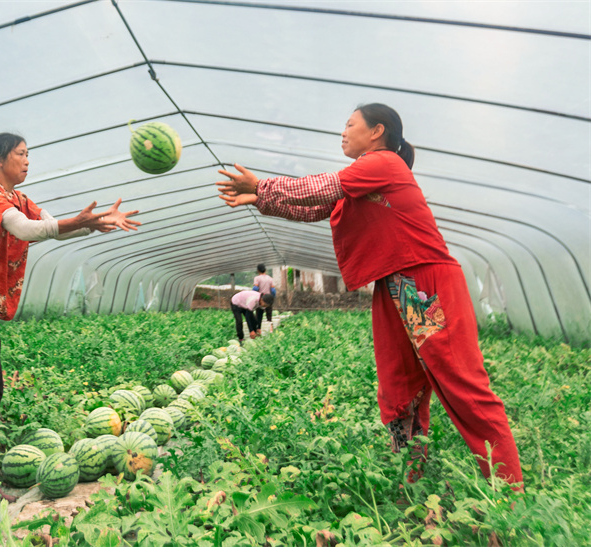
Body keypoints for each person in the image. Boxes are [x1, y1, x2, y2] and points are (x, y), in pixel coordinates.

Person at [215, 104, 523, 489]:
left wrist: (262, 185)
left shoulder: (385, 163)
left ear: (377, 131)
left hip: (423, 281)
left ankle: (510, 494)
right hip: (391, 286)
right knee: (399, 387)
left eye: (349, 125)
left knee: (461, 384)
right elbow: (315, 207)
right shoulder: (360, 182)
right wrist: (260, 200)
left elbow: (321, 188)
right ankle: (410, 481)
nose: (342, 132)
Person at [0, 132, 140, 484]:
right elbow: (27, 230)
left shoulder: (19, 198)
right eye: (21, 154)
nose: (27, 160)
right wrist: (80, 222)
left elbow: (49, 227)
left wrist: (91, 225)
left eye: (28, 154)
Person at [252, 263, 276, 333]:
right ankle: (271, 330)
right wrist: (273, 298)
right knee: (269, 315)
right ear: (265, 270)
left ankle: (258, 330)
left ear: (258, 270)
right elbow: (273, 290)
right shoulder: (270, 278)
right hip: (268, 298)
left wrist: (253, 295)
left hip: (261, 299)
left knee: (259, 316)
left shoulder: (257, 278)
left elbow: (255, 288)